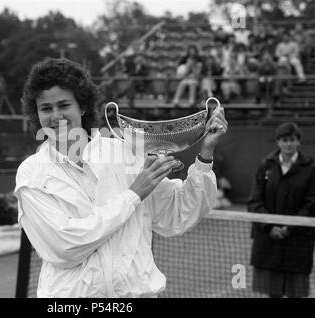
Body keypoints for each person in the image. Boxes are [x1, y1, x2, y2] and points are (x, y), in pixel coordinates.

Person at [14, 57, 228, 298]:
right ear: (36, 113)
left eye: (64, 105)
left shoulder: (125, 152)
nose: (55, 116)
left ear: (82, 107)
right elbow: (63, 247)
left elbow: (176, 215)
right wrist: (133, 195)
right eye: (46, 108)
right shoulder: (32, 173)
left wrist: (205, 154)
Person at [248, 122, 315, 298]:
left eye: (292, 140)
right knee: (273, 293)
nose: (288, 144)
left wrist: (289, 228)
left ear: (298, 142)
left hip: (298, 242)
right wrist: (271, 227)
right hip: (269, 241)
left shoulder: (311, 168)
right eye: (284, 140)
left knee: (296, 294)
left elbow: (312, 204)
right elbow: (255, 201)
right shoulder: (266, 166)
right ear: (278, 142)